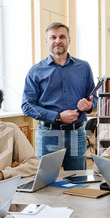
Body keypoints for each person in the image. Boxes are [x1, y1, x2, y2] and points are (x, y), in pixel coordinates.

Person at [22, 22, 97, 170]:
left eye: (62, 36)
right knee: (46, 181)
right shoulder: (35, 71)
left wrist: (90, 105)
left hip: (77, 134)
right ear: (46, 41)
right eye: (53, 37)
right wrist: (57, 117)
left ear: (69, 39)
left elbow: (95, 98)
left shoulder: (84, 67)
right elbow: (27, 106)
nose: (58, 41)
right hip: (48, 133)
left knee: (78, 181)